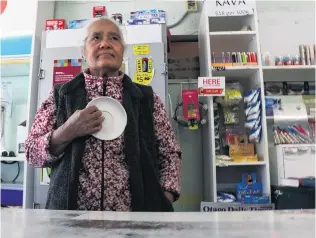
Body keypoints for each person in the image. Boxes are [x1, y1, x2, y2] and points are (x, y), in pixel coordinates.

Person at [25, 17, 182, 212]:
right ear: (83, 52)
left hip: (135, 222)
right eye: (96, 37)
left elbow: (169, 154)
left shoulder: (145, 99)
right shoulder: (61, 95)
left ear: (122, 51)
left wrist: (164, 198)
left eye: (114, 38)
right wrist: (67, 131)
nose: (105, 43)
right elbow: (32, 154)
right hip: (69, 222)